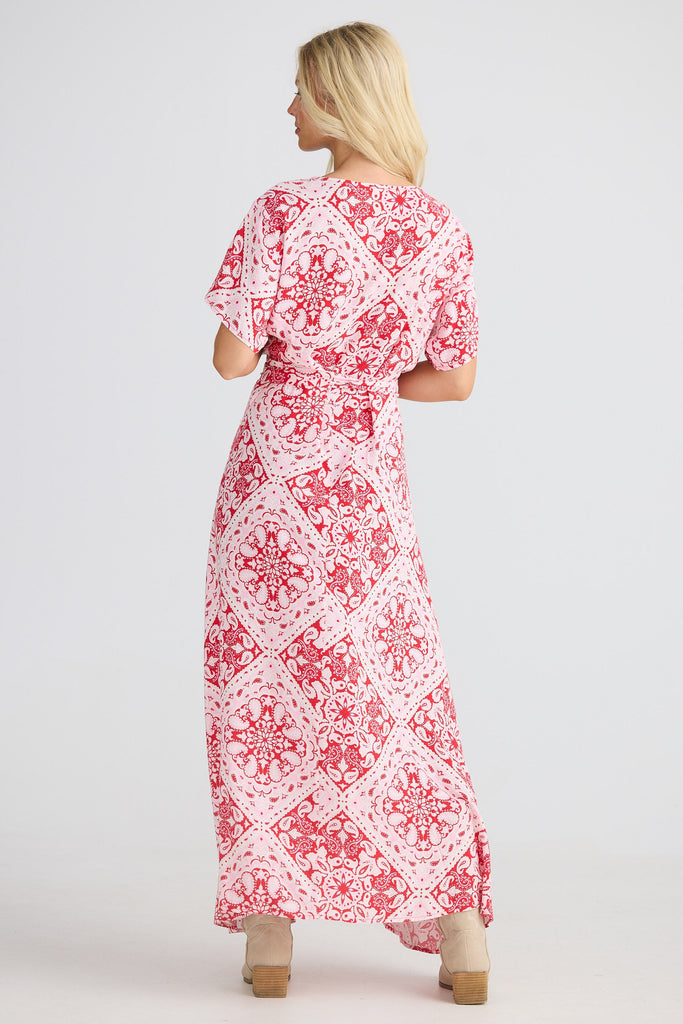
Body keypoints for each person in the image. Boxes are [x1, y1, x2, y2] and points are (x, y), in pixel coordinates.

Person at [203, 21, 493, 1004]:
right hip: (368, 488)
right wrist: (362, 375)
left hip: (277, 484)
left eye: (299, 91)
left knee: (263, 695)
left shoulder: (283, 213)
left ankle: (271, 934)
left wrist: (306, 359)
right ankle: (460, 933)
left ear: (337, 99)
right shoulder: (439, 227)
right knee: (394, 696)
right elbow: (453, 383)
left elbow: (231, 360)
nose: (288, 109)